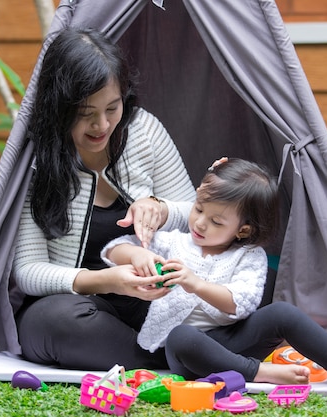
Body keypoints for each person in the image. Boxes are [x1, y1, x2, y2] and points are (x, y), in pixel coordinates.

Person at [102, 157, 327, 396]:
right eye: (198, 209)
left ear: (242, 230)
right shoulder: (173, 242)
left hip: (231, 340)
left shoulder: (248, 257)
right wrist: (137, 255)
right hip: (186, 353)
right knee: (182, 335)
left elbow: (240, 304)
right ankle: (259, 372)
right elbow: (114, 249)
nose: (200, 223)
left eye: (216, 221)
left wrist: (196, 284)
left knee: (282, 312)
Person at [12, 26, 196, 371]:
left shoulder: (144, 130)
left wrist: (162, 209)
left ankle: (179, 351)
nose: (102, 125)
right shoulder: (35, 160)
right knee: (54, 322)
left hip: (153, 299)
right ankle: (188, 354)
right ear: (59, 108)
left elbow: (196, 216)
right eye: (85, 113)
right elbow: (27, 270)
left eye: (112, 108)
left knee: (259, 276)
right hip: (81, 304)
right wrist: (107, 281)